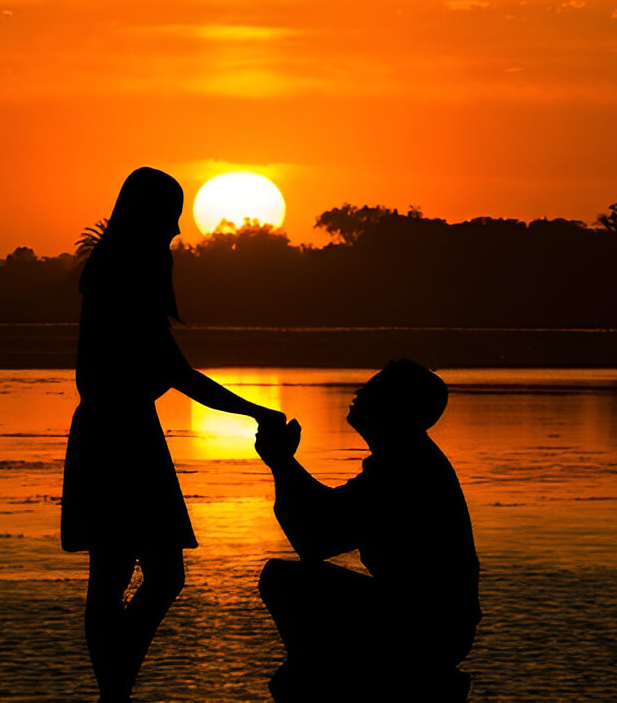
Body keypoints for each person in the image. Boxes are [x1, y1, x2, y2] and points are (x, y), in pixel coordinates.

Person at [61, 167, 285, 701]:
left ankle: (115, 689)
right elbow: (178, 374)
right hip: (117, 434)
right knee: (136, 576)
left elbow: (164, 369)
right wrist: (259, 413)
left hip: (125, 427)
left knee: (133, 577)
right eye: (171, 217)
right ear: (150, 217)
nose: (178, 230)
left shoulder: (119, 270)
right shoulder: (124, 273)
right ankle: (115, 691)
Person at [255, 359, 481, 700]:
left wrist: (282, 463)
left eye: (374, 389)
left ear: (395, 407)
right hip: (435, 624)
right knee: (287, 579)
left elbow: (315, 538)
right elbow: (327, 520)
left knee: (284, 580)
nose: (359, 393)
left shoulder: (403, 468)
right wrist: (283, 463)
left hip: (427, 629)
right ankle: (314, 668)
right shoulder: (406, 458)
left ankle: (315, 670)